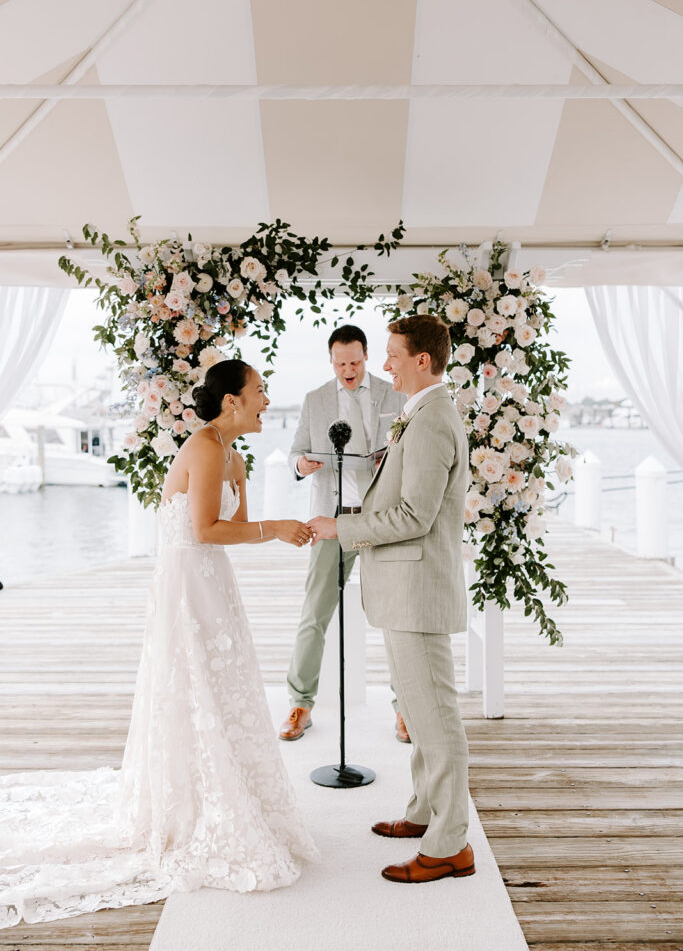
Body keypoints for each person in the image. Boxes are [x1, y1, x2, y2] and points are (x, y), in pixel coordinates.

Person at [0, 360, 318, 930]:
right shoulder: (201, 447)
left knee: (224, 690)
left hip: (212, 582)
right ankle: (192, 808)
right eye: (260, 391)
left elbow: (230, 524)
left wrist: (242, 482)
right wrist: (276, 525)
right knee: (193, 689)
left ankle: (230, 793)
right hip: (187, 588)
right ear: (231, 402)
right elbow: (203, 530)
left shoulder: (226, 451)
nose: (267, 399)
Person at [309, 315, 474, 884]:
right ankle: (425, 813)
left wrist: (341, 527)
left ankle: (452, 844)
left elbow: (414, 515)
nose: (384, 365)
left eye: (393, 355)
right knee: (424, 715)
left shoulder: (429, 421)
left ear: (422, 360)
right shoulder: (419, 414)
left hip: (417, 590)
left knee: (437, 719)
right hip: (408, 589)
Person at [279, 324, 408, 742]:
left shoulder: (394, 395)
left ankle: (404, 708)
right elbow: (296, 451)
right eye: (340, 364)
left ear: (366, 357)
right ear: (330, 361)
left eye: (354, 362)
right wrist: (302, 466)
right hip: (329, 521)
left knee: (394, 617)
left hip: (379, 519)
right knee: (314, 614)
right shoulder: (315, 400)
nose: (347, 370)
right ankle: (300, 704)